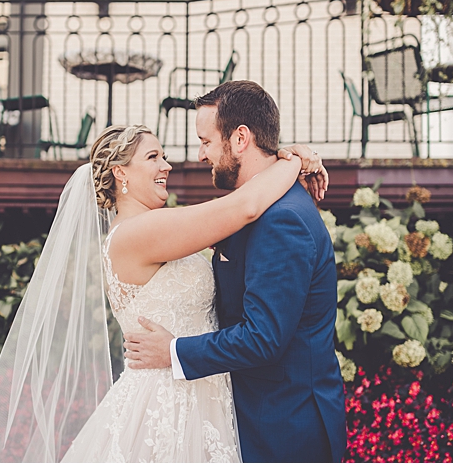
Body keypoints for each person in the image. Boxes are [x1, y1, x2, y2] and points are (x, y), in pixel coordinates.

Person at [0, 114, 326, 462]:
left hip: (203, 392)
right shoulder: (138, 234)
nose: (166, 166)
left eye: (164, 156)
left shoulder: (158, 229)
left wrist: (290, 157)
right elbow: (245, 206)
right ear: (120, 172)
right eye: (153, 157)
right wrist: (293, 160)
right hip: (166, 403)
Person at [121, 81, 347, 465]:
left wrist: (174, 351)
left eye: (206, 141)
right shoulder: (259, 207)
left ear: (240, 138)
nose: (200, 155)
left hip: (283, 428)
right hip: (243, 418)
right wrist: (294, 158)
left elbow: (263, 338)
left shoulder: (282, 219)